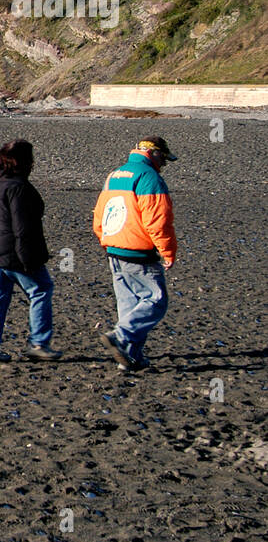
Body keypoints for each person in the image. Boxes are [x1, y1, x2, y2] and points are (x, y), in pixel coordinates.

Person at [92, 136, 178, 371]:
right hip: (138, 251)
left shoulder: (115, 175)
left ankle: (130, 357)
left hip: (114, 249)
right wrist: (167, 251)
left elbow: (100, 214)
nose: (164, 166)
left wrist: (105, 240)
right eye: (164, 160)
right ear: (155, 154)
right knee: (156, 301)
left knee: (130, 305)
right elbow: (158, 222)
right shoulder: (149, 178)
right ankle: (120, 337)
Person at [0, 139, 61, 363]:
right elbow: (23, 229)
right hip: (12, 252)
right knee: (41, 289)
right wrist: (29, 260)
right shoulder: (18, 187)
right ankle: (38, 343)